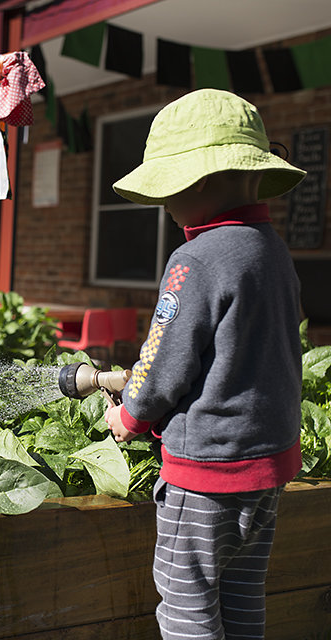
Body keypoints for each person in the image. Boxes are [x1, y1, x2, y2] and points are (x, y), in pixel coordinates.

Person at [105, 88, 306, 640]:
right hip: (268, 464)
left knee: (186, 604)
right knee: (242, 597)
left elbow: (164, 359)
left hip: (207, 472)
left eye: (169, 191)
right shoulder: (271, 250)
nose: (167, 207)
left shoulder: (195, 259)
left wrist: (129, 416)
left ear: (200, 182)